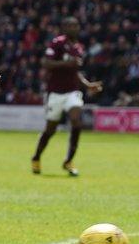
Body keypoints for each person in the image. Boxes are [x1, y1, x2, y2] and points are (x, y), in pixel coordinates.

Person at [31, 17, 102, 176]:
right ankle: (36, 157)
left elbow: (75, 72)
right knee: (50, 130)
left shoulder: (78, 47)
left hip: (72, 92)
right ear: (64, 28)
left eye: (76, 25)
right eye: (70, 25)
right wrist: (65, 63)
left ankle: (68, 161)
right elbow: (46, 63)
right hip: (55, 93)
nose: (74, 28)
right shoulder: (57, 43)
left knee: (76, 122)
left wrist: (88, 85)